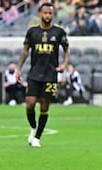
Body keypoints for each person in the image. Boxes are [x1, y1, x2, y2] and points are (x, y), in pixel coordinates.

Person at [16, 2, 69, 148]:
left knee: (45, 107)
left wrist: (64, 64)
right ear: (40, 14)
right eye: (45, 13)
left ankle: (37, 137)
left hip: (51, 75)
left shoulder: (59, 32)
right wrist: (19, 68)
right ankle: (34, 127)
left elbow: (66, 49)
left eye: (50, 13)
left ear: (53, 14)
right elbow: (25, 50)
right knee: (30, 104)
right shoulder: (32, 31)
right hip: (34, 74)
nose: (47, 15)